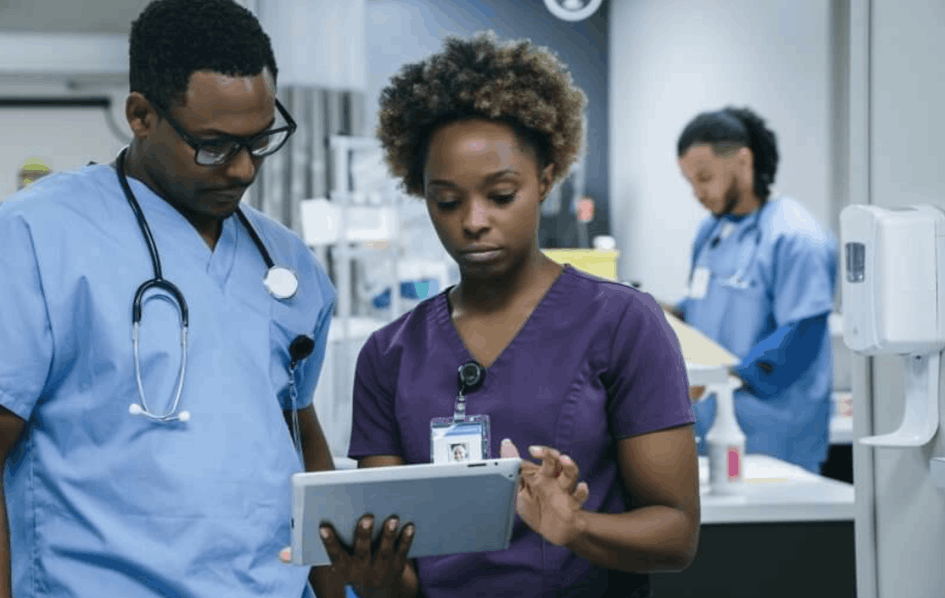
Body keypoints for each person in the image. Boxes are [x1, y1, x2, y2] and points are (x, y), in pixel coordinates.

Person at [0, 0, 344, 598]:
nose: (244, 169)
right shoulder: (38, 234)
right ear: (141, 115)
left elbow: (299, 437)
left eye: (260, 141)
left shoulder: (287, 261)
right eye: (215, 145)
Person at [318, 32, 700, 598]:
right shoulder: (389, 354)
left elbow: (676, 534)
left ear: (545, 178)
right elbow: (399, 575)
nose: (473, 221)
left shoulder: (622, 322)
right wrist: (370, 575)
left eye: (500, 195)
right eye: (446, 201)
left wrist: (577, 528)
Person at [670, 107, 838, 474]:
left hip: (774, 438)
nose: (698, 193)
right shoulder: (711, 234)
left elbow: (801, 334)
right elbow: (705, 309)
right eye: (690, 182)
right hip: (710, 429)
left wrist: (718, 381)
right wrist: (658, 313)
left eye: (704, 177)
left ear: (743, 161)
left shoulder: (796, 236)